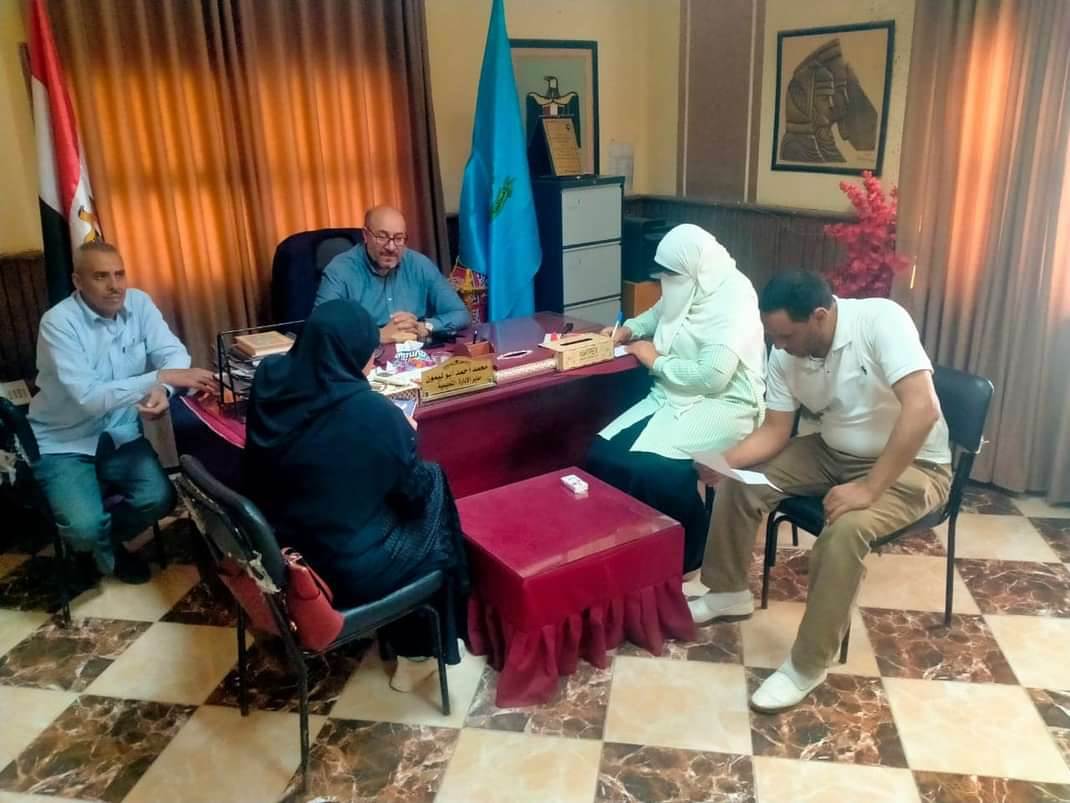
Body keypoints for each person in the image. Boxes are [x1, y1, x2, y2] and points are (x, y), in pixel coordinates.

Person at [689, 271, 951, 712]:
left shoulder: (880, 321)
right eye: (773, 336)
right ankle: (727, 592)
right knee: (741, 482)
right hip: (831, 451)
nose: (779, 345)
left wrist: (869, 488)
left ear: (820, 316)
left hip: (913, 463)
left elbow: (923, 409)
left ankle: (807, 665)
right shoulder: (784, 351)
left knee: (845, 530)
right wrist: (724, 461)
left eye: (786, 335)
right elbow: (776, 431)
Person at [243, 299, 469, 691]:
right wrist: (403, 436)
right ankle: (419, 652)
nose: (372, 364)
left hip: (283, 545)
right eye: (372, 355)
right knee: (433, 486)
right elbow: (413, 495)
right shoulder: (373, 413)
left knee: (390, 492)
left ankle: (417, 638)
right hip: (342, 569)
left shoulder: (270, 376)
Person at [29, 241, 219, 583]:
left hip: (119, 433)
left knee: (159, 499)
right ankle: (94, 547)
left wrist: (162, 389)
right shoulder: (58, 323)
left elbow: (173, 355)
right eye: (101, 276)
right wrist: (161, 377)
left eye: (119, 274)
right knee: (83, 527)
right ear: (78, 281)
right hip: (63, 440)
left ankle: (103, 546)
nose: (115, 285)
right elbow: (89, 397)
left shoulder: (139, 303)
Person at [585, 224, 766, 573]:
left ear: (695, 268)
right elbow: (661, 312)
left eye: (672, 274)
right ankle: (630, 544)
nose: (667, 281)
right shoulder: (691, 283)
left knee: (656, 472)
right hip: (671, 391)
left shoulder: (734, 300)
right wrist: (629, 329)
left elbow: (713, 377)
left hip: (725, 403)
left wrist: (655, 360)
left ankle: (687, 551)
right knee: (602, 453)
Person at [314, 205, 470, 343]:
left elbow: (460, 314)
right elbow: (320, 328)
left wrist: (425, 326)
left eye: (399, 238)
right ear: (366, 235)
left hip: (415, 355)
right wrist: (378, 335)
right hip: (365, 357)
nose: (391, 247)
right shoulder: (340, 270)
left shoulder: (420, 264)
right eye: (382, 237)